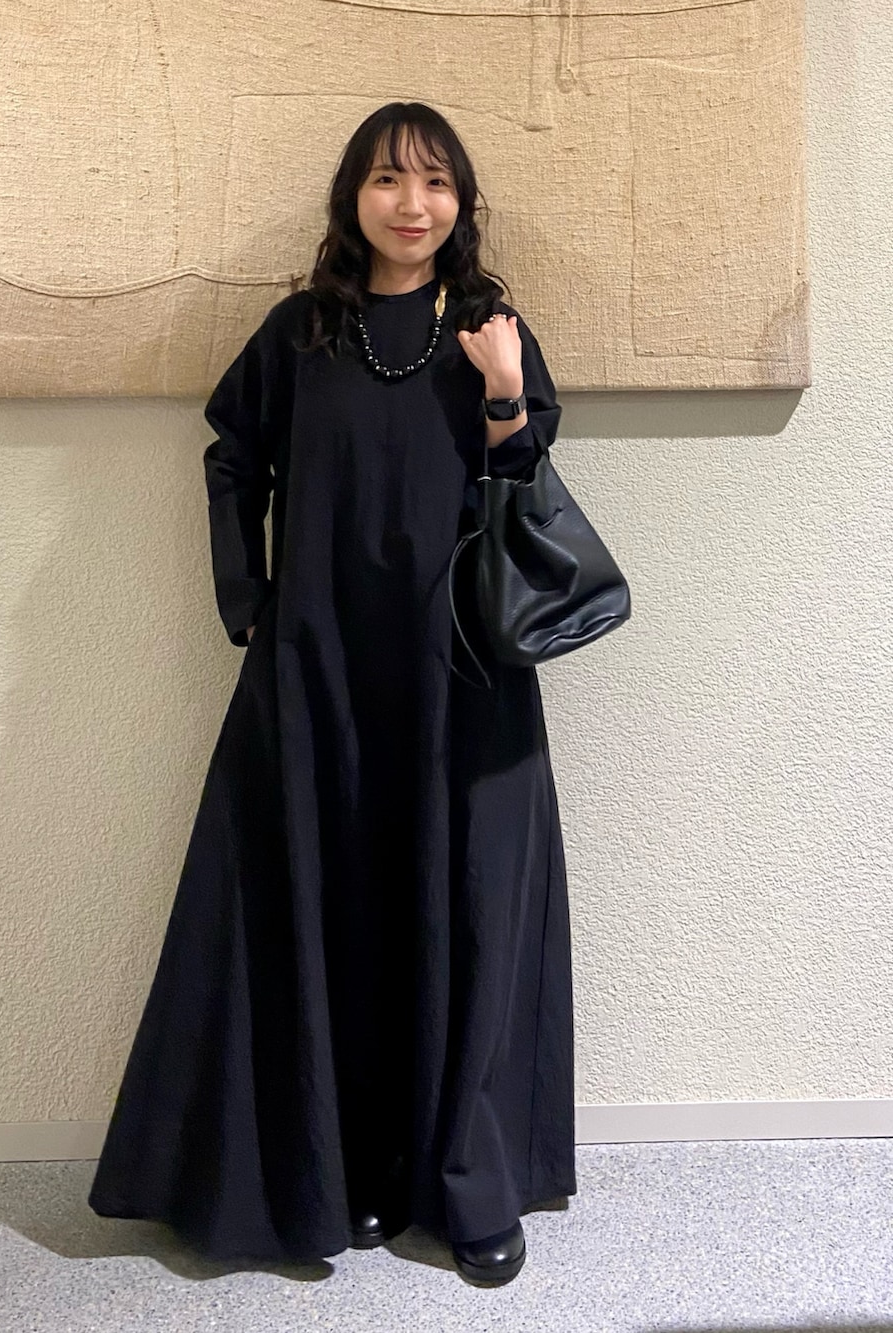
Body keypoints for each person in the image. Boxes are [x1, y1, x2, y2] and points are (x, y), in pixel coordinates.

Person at [88, 101, 576, 1289]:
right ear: (352, 197)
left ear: (461, 202)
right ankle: (339, 1170)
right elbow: (232, 455)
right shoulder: (300, 331)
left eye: (436, 182)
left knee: (466, 904)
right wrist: (248, 600)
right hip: (317, 669)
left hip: (462, 674)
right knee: (326, 902)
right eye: (387, 178)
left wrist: (503, 389)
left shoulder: (488, 326)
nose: (413, 204)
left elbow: (524, 483)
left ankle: (461, 1185)